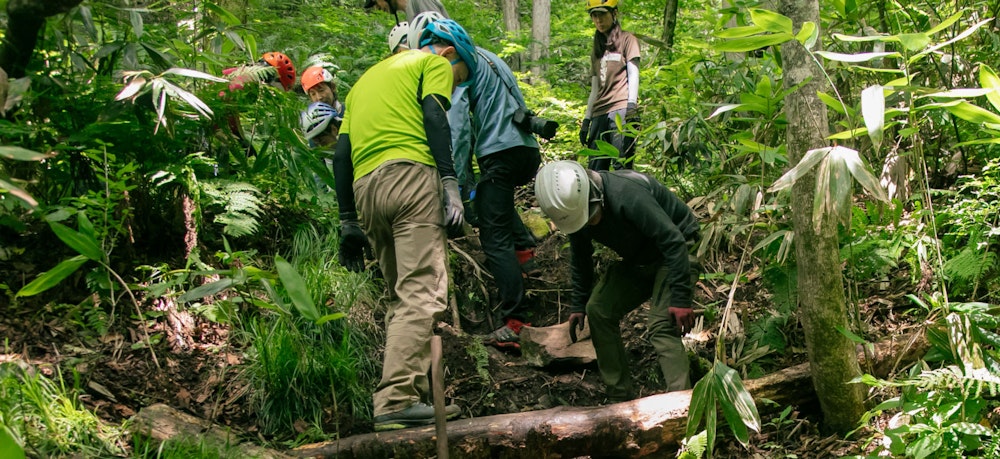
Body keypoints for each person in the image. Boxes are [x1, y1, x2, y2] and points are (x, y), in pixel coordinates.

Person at [331, 18, 475, 431]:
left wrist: (347, 221)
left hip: (366, 189)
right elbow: (434, 115)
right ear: (448, 54)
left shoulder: (360, 86)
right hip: (412, 178)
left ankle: (413, 398)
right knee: (423, 293)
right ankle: (394, 400)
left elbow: (342, 157)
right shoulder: (429, 65)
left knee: (403, 298)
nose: (455, 82)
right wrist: (449, 180)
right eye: (459, 75)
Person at [409, 14, 543, 349]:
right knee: (491, 202)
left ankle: (516, 322)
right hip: (524, 148)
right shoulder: (488, 58)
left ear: (450, 53)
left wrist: (450, 182)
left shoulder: (458, 71)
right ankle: (524, 255)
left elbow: (459, 132)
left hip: (500, 151)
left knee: (493, 235)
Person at [534, 160, 701, 402]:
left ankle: (681, 405)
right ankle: (619, 398)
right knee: (599, 310)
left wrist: (681, 298)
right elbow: (581, 259)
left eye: (592, 215)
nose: (591, 222)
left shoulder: (627, 193)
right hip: (640, 258)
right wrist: (578, 305)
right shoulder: (572, 212)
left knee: (661, 325)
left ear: (595, 194)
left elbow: (673, 240)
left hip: (678, 250)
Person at [579, 0, 641, 171]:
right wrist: (586, 119)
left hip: (621, 109)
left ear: (614, 13)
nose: (598, 20)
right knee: (596, 170)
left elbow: (633, 72)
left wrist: (631, 105)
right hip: (599, 113)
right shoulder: (597, 47)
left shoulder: (628, 39)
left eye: (602, 14)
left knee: (621, 166)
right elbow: (595, 87)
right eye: (594, 16)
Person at [363, 0, 448, 22]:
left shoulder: (418, 1)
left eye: (375, 2)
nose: (376, 8)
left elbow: (440, 39)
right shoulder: (410, 11)